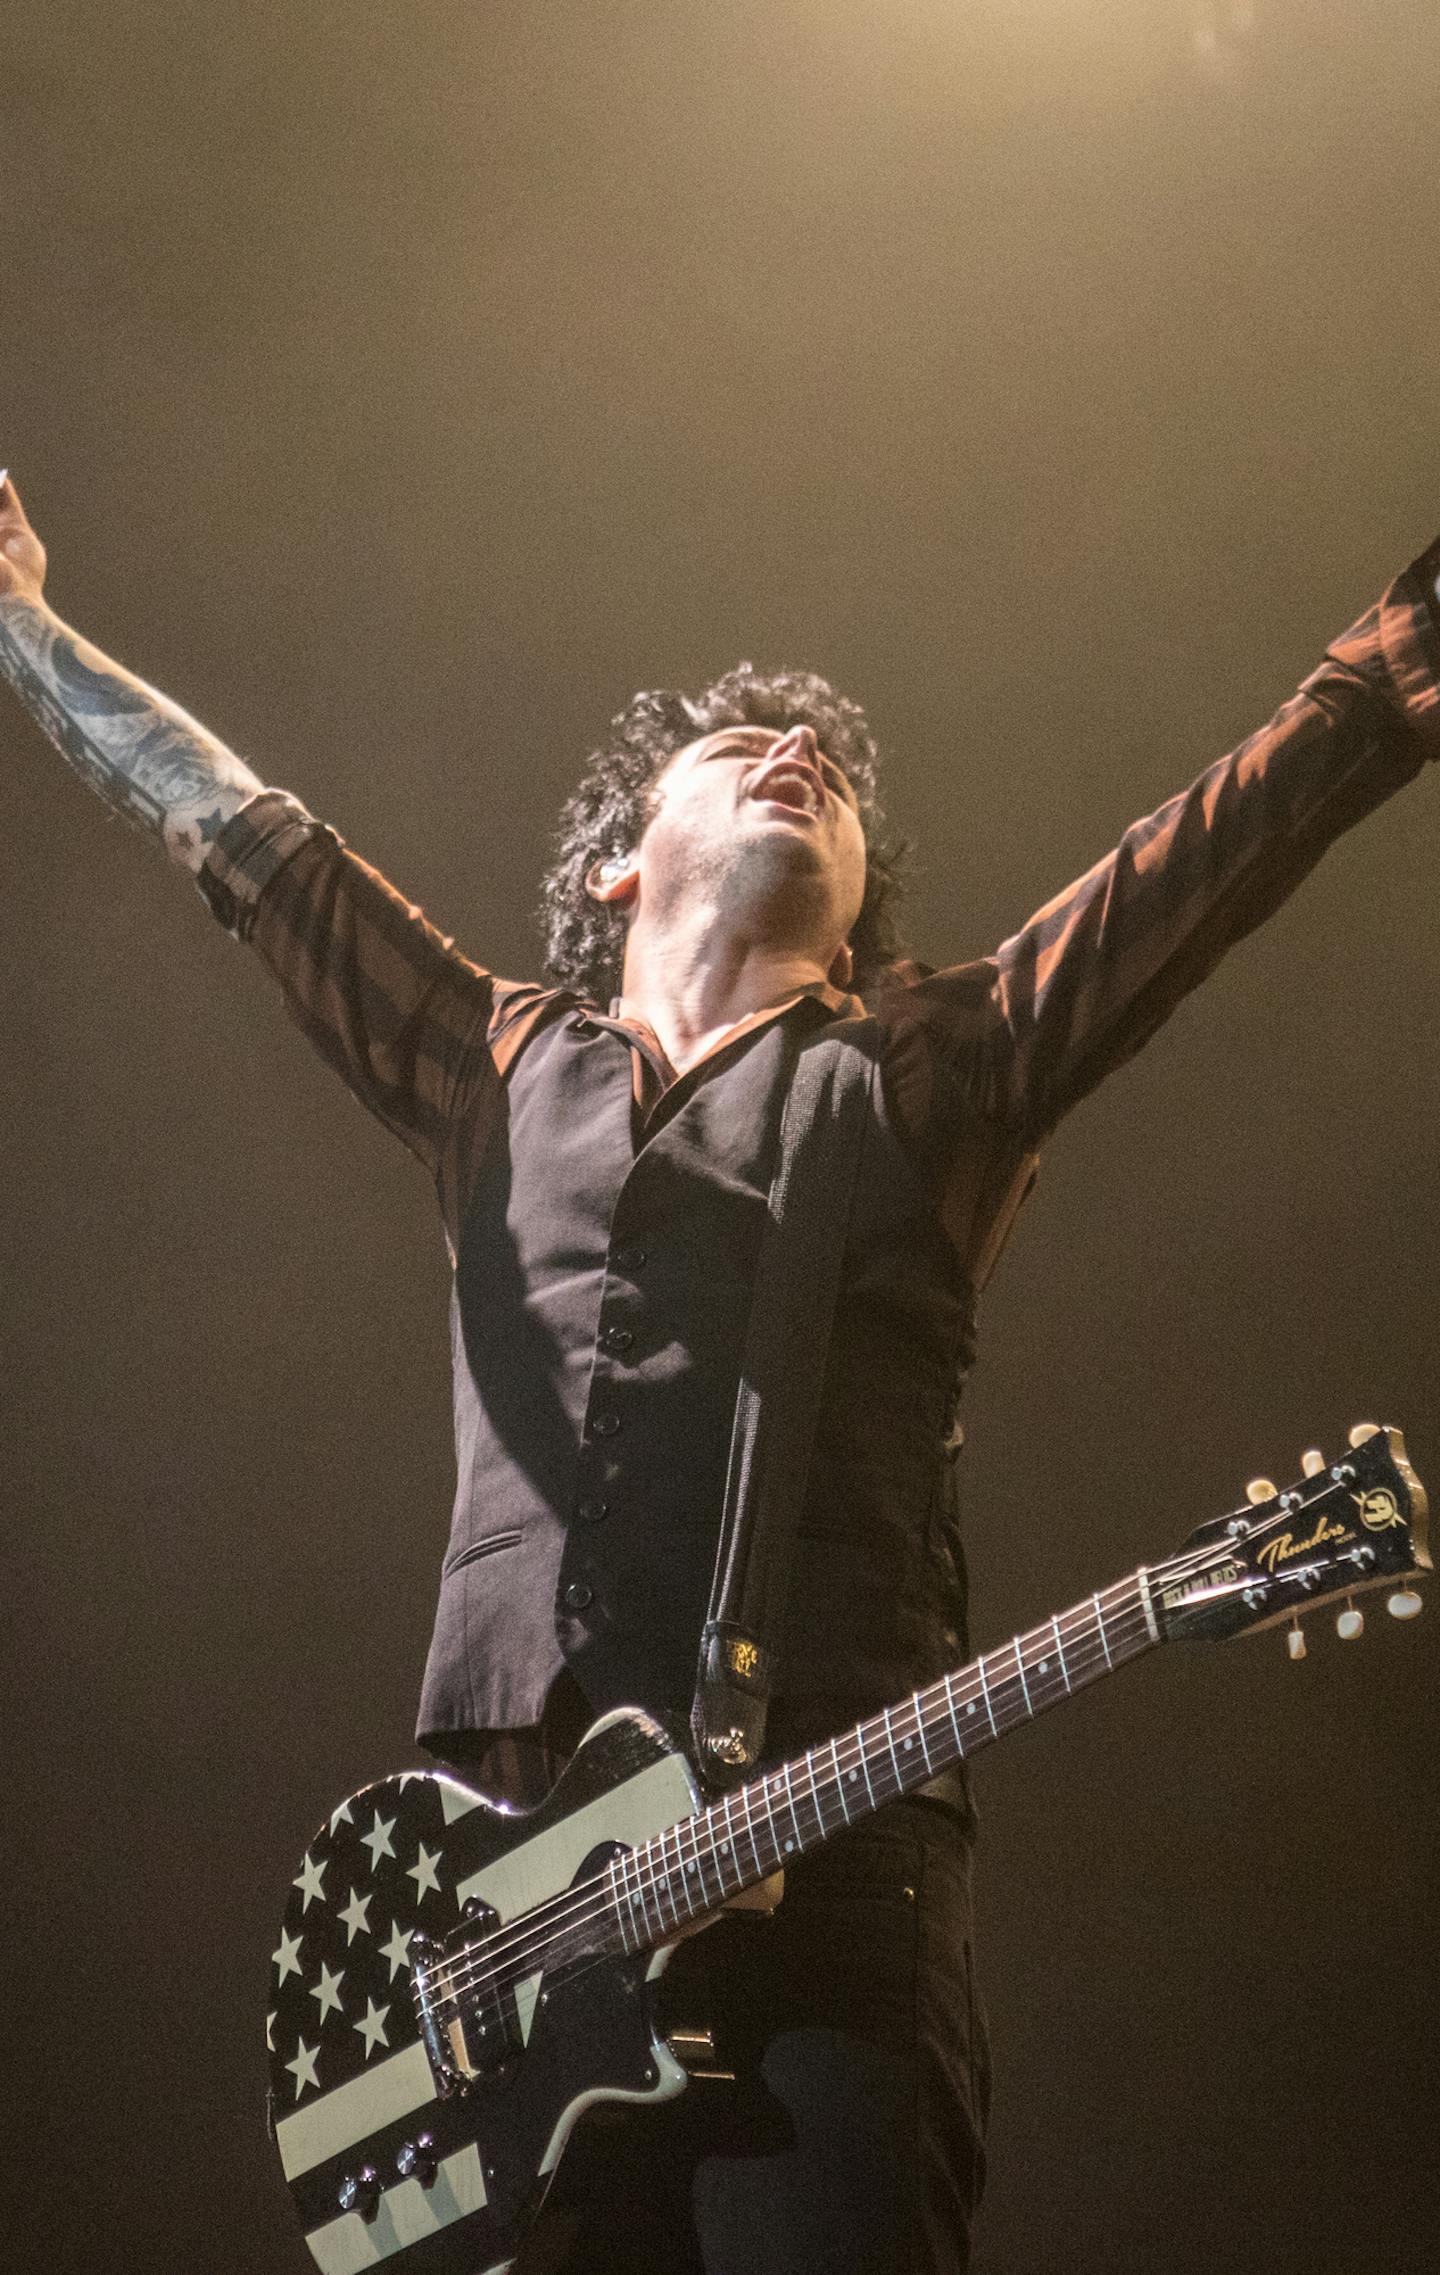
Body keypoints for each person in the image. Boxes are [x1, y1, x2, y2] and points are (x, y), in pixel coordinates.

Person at [2, 466, 1437, 2274]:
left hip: (830, 1900)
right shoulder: (495, 1066)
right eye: (742, 742)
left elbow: (1186, 877)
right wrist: (22, 628)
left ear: (857, 914)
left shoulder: (928, 1068)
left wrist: (1371, 695)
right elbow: (234, 830)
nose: (798, 756)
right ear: (618, 860)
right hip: (499, 1946)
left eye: (831, 770)